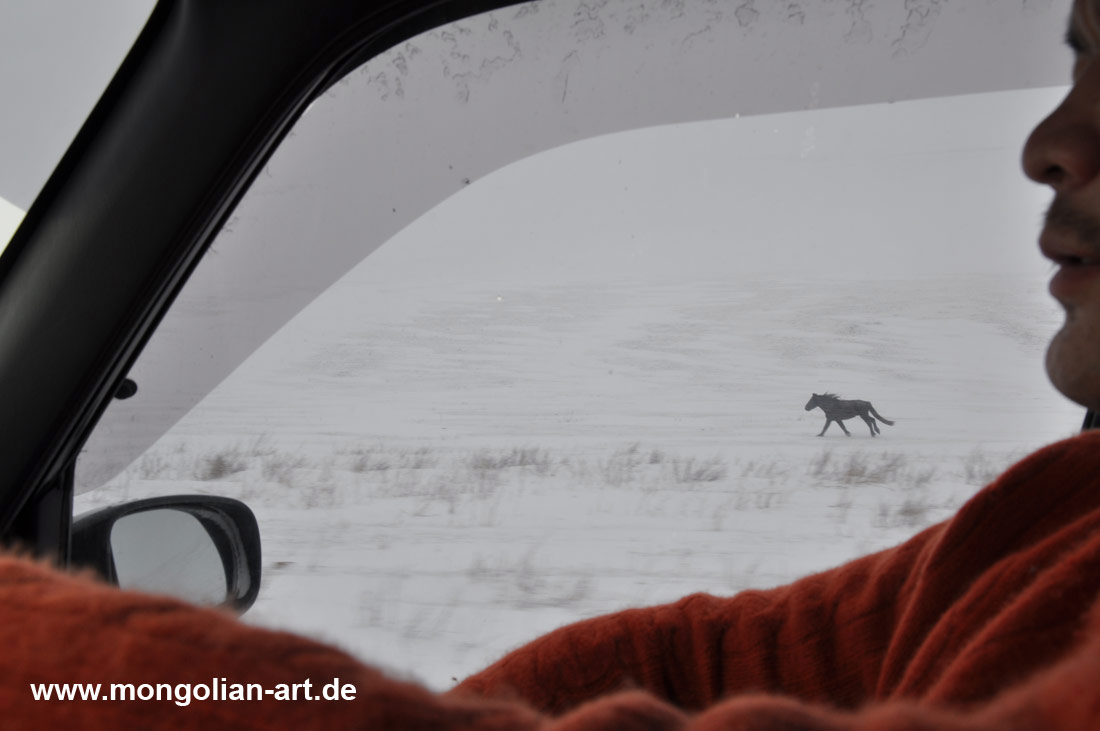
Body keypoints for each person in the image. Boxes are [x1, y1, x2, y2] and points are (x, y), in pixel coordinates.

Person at [7, 2, 1100, 728]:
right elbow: (715, 659)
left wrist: (45, 649)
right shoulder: (1061, 514)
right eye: (1079, 56)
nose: (1044, 145)